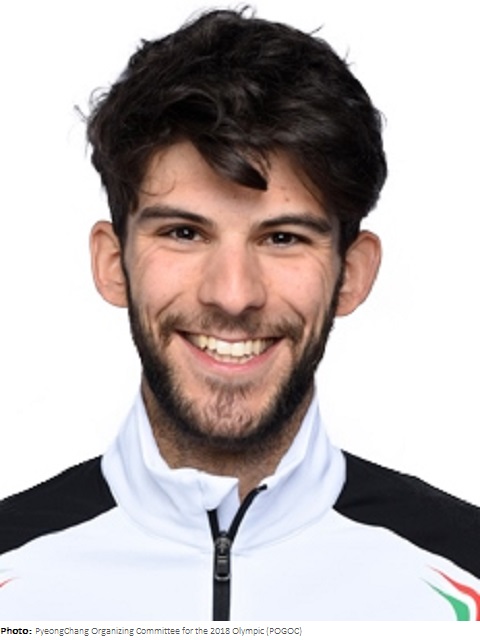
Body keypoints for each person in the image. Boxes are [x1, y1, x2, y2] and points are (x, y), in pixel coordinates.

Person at [1, 8, 479, 622]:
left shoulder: (463, 573)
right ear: (113, 264)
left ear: (352, 274)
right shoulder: (14, 573)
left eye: (282, 238)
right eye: (184, 232)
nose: (232, 294)